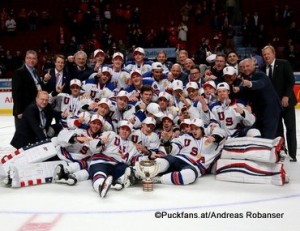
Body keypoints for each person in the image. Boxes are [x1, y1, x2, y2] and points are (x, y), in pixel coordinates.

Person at [261, 45, 297, 162]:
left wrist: (286, 96)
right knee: (278, 130)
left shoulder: (284, 63)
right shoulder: (262, 69)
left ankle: (292, 154)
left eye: (268, 54)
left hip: (287, 103)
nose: (266, 56)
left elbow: (291, 81)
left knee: (290, 128)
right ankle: (283, 151)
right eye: (264, 54)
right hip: (273, 106)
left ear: (273, 53)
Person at [233, 58, 281, 139]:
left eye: (247, 66)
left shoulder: (259, 74)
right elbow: (245, 88)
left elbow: (260, 83)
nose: (245, 68)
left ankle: (270, 150)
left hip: (270, 110)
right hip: (261, 112)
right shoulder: (247, 77)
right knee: (256, 131)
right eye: (243, 67)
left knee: (268, 136)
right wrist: (239, 89)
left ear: (253, 66)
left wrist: (250, 84)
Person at [89, 120, 139, 198]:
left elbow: (136, 158)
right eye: (123, 128)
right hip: (102, 161)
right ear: (119, 129)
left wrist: (149, 156)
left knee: (128, 168)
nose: (124, 131)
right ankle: (100, 186)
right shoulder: (111, 134)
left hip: (117, 166)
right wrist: (101, 142)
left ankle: (118, 181)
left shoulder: (132, 146)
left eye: (127, 130)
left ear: (130, 133)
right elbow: (93, 147)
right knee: (99, 172)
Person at [12, 50, 44, 131]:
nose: (31, 60)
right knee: (22, 136)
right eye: (29, 58)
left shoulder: (36, 72)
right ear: (25, 59)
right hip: (23, 111)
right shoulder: (19, 72)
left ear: (36, 60)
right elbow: (16, 94)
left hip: (34, 109)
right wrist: (19, 111)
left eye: (34, 58)